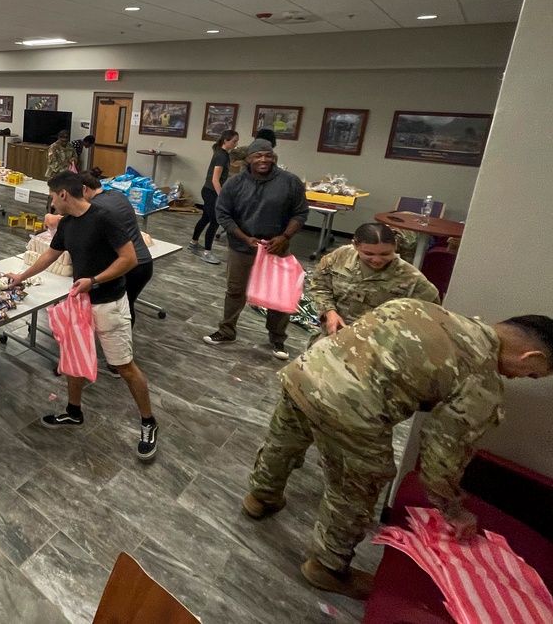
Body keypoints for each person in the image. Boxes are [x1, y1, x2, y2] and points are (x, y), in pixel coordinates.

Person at [243, 298, 553, 600]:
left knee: (284, 441)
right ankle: (328, 567)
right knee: (357, 486)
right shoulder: (481, 381)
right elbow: (440, 460)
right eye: (534, 374)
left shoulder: (423, 307)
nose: (521, 378)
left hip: (306, 371)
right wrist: (454, 510)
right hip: (351, 409)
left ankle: (261, 496)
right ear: (530, 356)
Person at [5, 171, 159, 462]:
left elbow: (129, 259)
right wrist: (22, 276)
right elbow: (51, 254)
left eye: (52, 196)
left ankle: (148, 421)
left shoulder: (104, 218)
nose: (51, 203)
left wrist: (95, 280)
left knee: (123, 365)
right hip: (81, 303)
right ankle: (73, 412)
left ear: (63, 194)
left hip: (109, 302)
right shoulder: (68, 224)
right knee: (73, 359)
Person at [204, 138, 309, 360]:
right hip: (242, 246)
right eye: (258, 155)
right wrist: (243, 237)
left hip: (276, 247)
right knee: (235, 290)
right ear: (248, 159)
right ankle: (226, 331)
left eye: (268, 155)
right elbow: (223, 213)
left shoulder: (289, 182)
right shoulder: (235, 183)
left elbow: (300, 213)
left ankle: (277, 339)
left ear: (274, 158)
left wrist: (285, 236)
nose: (263, 159)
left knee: (277, 294)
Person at [308, 222, 440, 345]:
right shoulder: (341, 256)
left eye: (385, 253)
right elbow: (320, 285)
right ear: (355, 245)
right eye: (368, 253)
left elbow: (432, 318)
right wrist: (329, 312)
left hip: (376, 348)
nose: (377, 260)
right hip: (332, 338)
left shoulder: (411, 278)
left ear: (395, 246)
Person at [79, 168, 153, 327]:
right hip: (145, 263)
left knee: (118, 308)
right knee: (128, 304)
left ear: (84, 188)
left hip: (128, 266)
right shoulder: (117, 195)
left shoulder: (95, 206)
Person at [188, 129, 239, 264]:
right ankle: (207, 252)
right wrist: (221, 196)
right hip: (211, 192)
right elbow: (215, 180)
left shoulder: (224, 154)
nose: (235, 144)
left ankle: (193, 243)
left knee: (205, 218)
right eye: (234, 141)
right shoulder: (221, 156)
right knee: (215, 221)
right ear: (226, 141)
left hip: (210, 191)